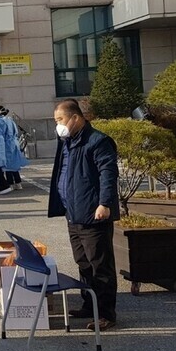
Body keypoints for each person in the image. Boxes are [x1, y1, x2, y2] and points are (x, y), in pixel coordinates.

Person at [49, 99, 120, 331]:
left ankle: (106, 313)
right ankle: (90, 305)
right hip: (74, 213)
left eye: (60, 120)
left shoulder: (97, 141)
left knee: (100, 265)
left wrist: (104, 203)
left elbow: (108, 174)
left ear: (75, 118)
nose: (58, 125)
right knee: (83, 263)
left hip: (93, 214)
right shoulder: (67, 141)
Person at [0, 106, 28, 190]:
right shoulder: (10, 120)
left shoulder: (1, 121)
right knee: (14, 164)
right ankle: (18, 183)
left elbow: (2, 133)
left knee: (7, 166)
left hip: (6, 144)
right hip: (14, 143)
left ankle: (10, 183)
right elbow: (16, 132)